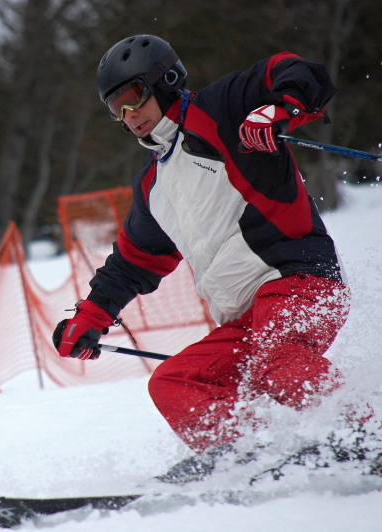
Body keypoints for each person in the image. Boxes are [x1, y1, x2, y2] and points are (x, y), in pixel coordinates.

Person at [52, 35, 351, 453]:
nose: (128, 114)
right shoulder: (153, 184)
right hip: (244, 320)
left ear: (165, 80)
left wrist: (278, 110)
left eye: (134, 96)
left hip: (299, 283)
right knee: (174, 381)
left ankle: (363, 436)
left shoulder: (222, 110)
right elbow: (133, 263)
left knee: (278, 363)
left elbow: (296, 70)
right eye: (115, 107)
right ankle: (248, 457)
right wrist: (91, 316)